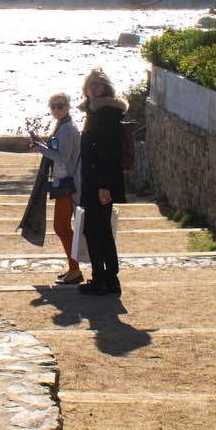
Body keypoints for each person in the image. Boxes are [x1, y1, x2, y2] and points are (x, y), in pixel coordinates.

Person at [75, 68, 126, 296]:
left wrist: (104, 186)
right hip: (96, 181)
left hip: (100, 182)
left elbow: (107, 152)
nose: (93, 88)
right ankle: (107, 279)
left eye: (97, 85)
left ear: (105, 88)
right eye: (90, 85)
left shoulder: (104, 113)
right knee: (98, 230)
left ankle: (103, 279)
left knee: (96, 230)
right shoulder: (97, 112)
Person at [29, 93, 82, 282]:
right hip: (63, 182)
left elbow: (62, 156)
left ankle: (75, 268)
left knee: (61, 227)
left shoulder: (67, 129)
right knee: (62, 227)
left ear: (68, 107)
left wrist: (41, 148)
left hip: (68, 184)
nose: (57, 109)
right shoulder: (63, 126)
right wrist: (42, 145)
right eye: (53, 106)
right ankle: (73, 267)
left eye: (60, 106)